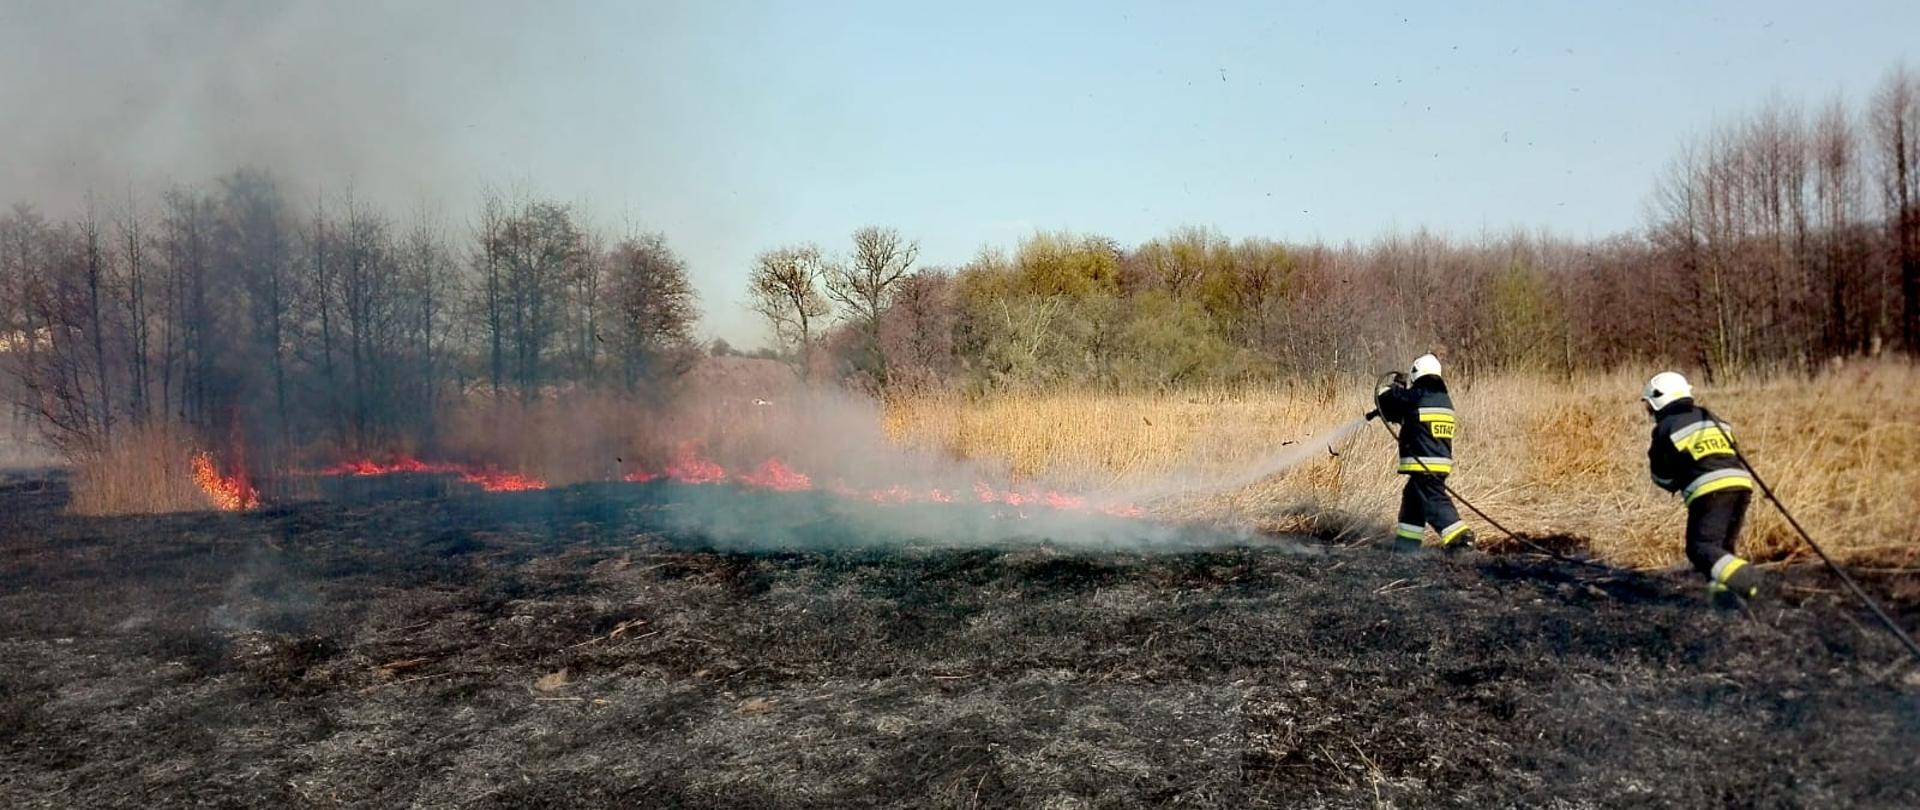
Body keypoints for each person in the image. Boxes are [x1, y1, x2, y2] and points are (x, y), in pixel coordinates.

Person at [1642, 372, 1762, 605]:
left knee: (1700, 548)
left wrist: (1676, 481)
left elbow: (1661, 475)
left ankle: (1749, 581)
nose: (1648, 412)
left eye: (1649, 406)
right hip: (1742, 485)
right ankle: (1723, 601)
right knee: (1721, 550)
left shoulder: (1666, 427)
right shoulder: (1712, 417)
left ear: (1658, 400)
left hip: (1710, 492)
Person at [1365, 353, 1474, 552]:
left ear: (1417, 372)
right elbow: (1406, 414)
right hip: (1438, 463)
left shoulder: (1419, 395)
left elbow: (1387, 398)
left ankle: (1461, 538)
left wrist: (1395, 386)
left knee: (1433, 499)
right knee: (1413, 500)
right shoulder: (1442, 399)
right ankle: (1406, 546)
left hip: (1425, 464)